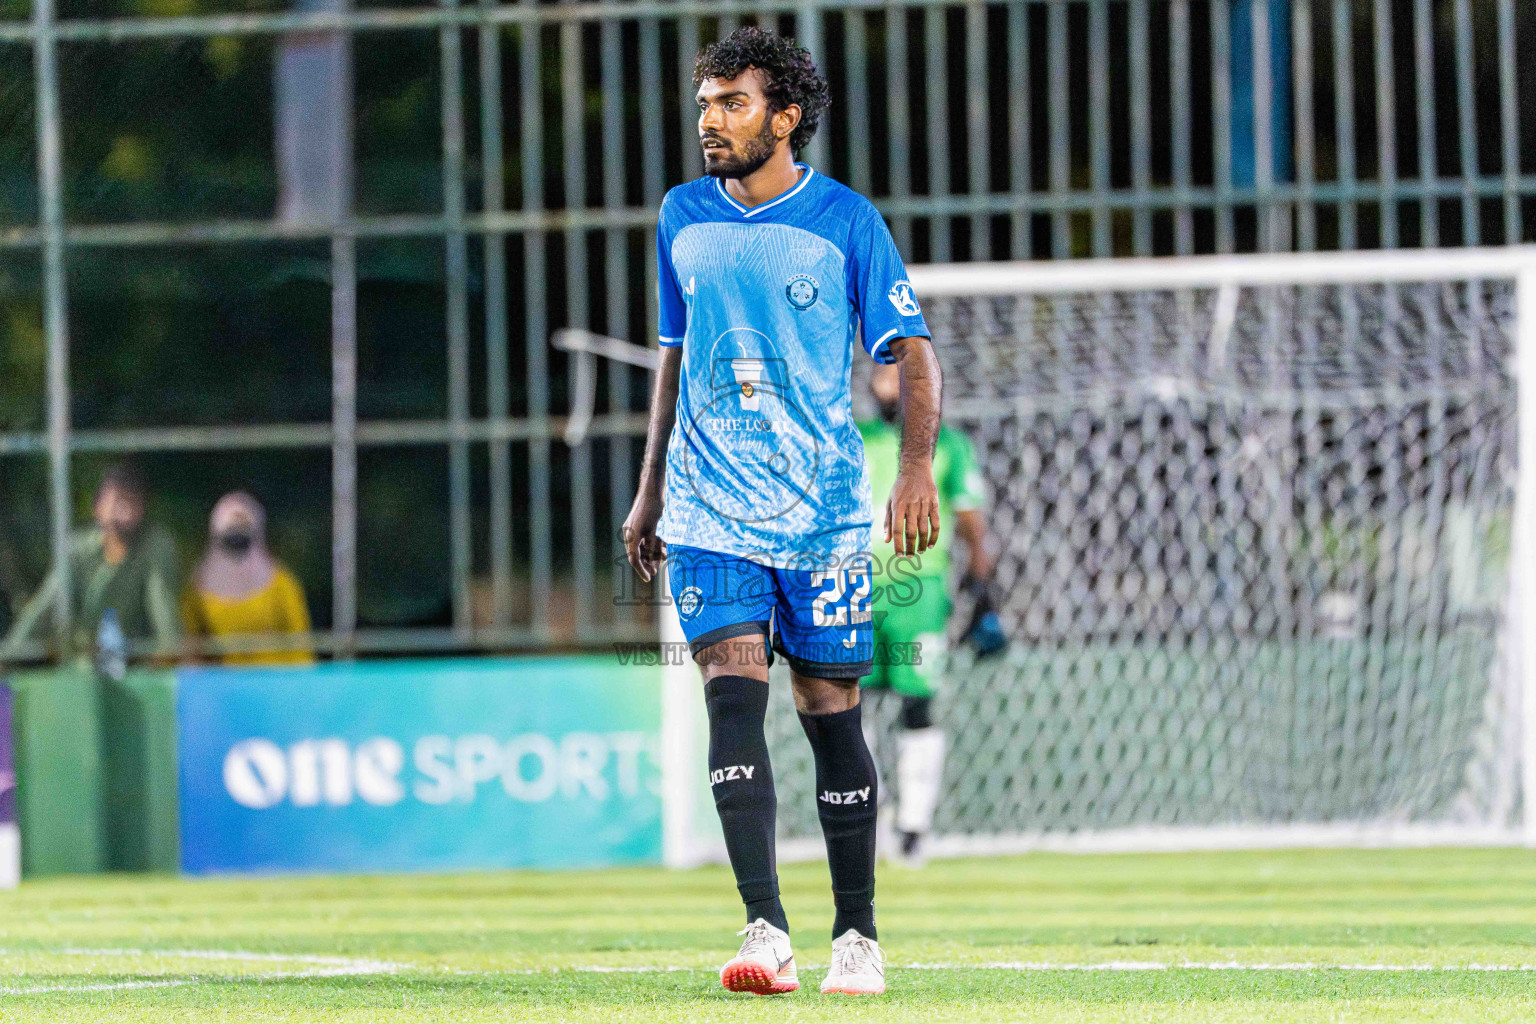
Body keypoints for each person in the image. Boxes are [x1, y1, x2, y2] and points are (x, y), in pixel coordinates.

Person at [623, 27, 942, 997]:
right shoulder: (682, 215)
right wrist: (649, 491)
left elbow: (912, 352)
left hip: (822, 517)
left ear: (786, 115)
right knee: (730, 693)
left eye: (732, 103)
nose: (710, 121)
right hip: (710, 508)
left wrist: (917, 469)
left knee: (830, 715)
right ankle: (764, 927)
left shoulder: (847, 221)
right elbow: (673, 356)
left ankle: (858, 934)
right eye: (704, 103)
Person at [858, 363, 999, 868]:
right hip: (850, 591)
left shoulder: (951, 446)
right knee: (852, 707)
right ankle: (865, 815)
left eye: (903, 375)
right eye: (882, 375)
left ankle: (914, 824)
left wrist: (983, 589)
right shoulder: (853, 439)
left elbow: (971, 523)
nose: (890, 385)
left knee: (916, 703)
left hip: (918, 596)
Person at [0, 463, 180, 666]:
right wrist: (10, 655)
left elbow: (164, 612)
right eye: (116, 501)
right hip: (83, 664)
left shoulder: (155, 545)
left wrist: (169, 659)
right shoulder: (77, 549)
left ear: (142, 508)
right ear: (98, 506)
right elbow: (46, 605)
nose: (123, 511)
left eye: (131, 502)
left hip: (136, 664)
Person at [182, 492, 314, 667]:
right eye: (230, 527)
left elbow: (301, 644)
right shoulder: (197, 588)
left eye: (243, 525)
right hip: (220, 686)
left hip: (274, 681)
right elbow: (189, 642)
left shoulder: (281, 583)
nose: (236, 533)